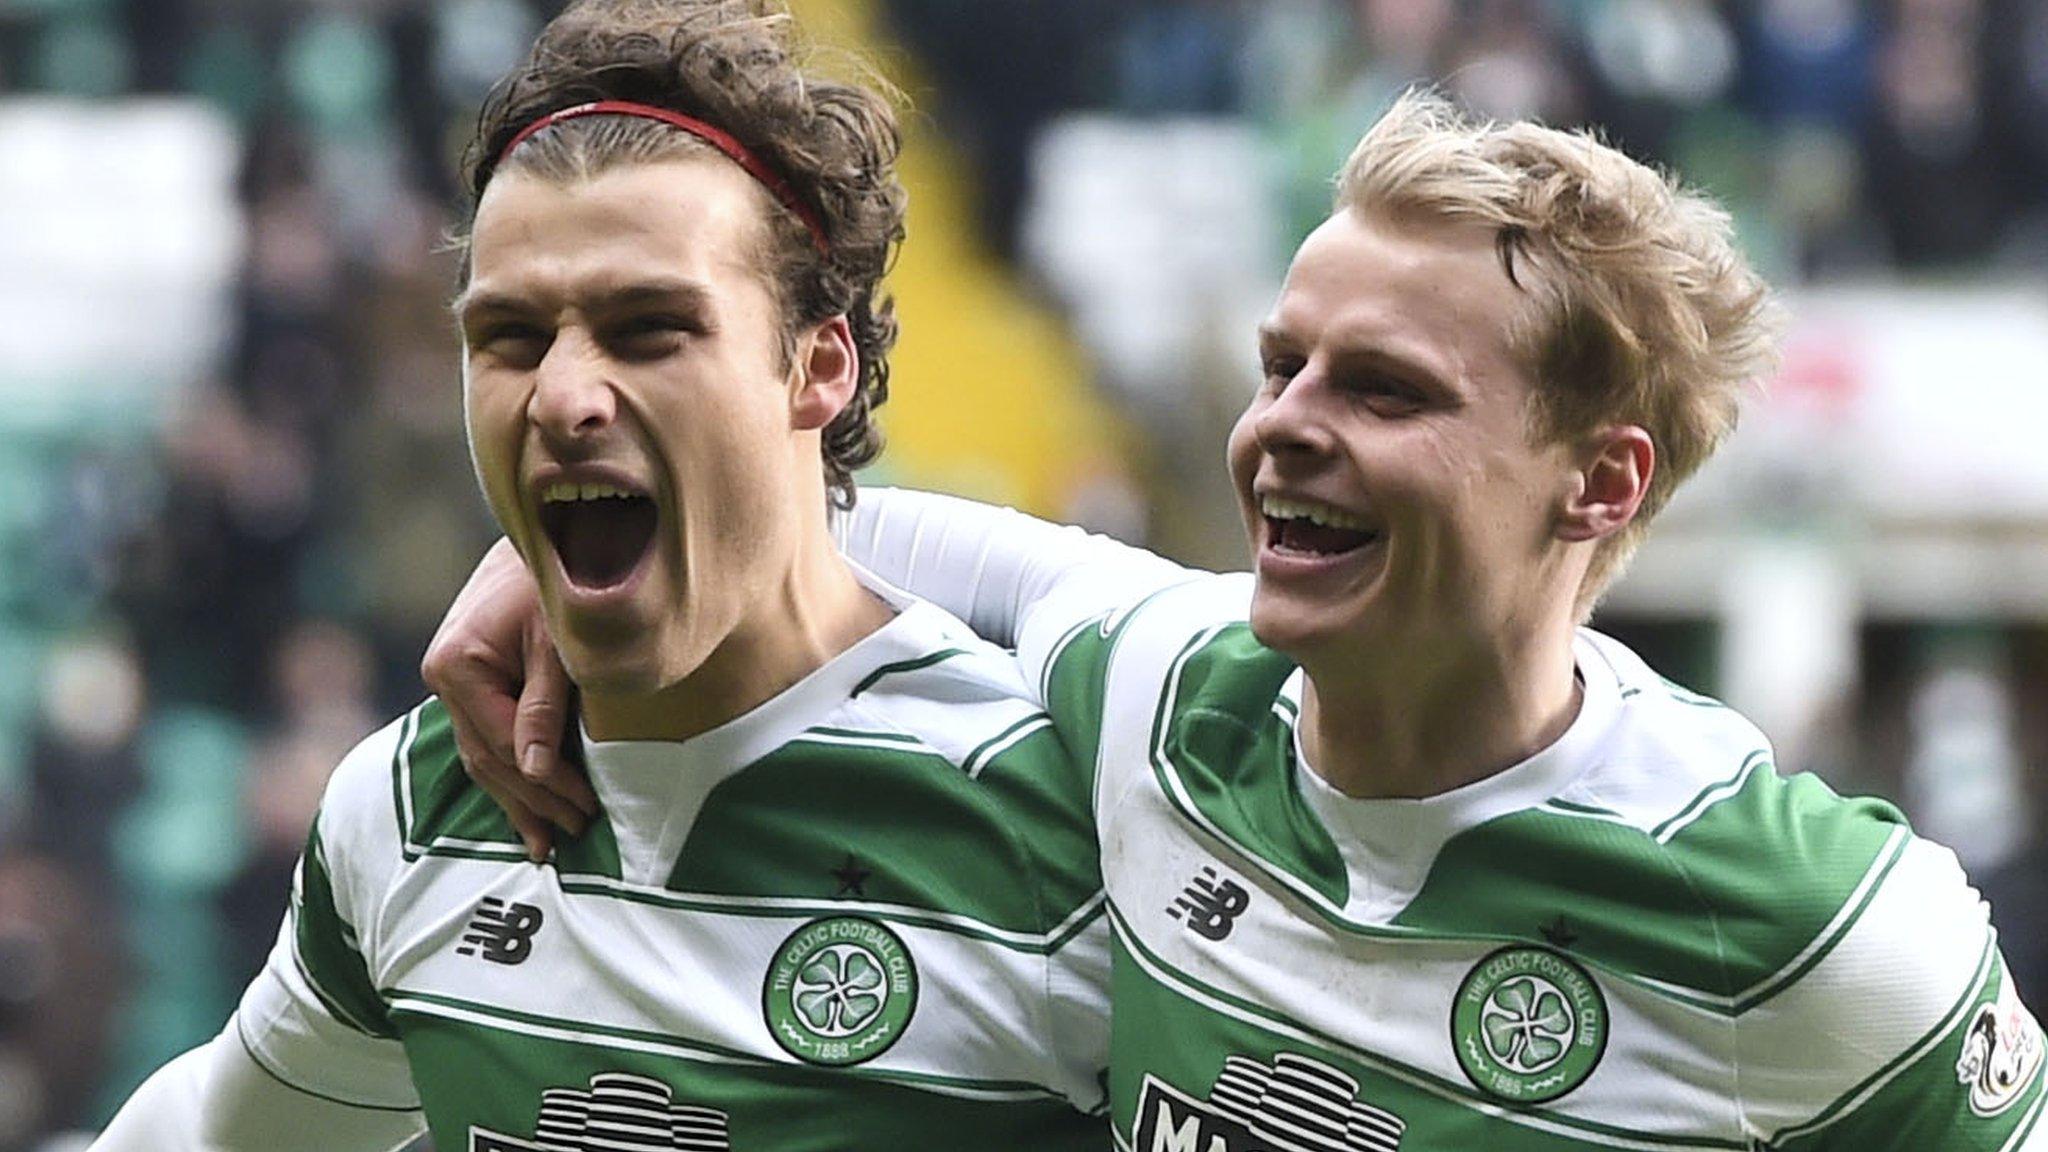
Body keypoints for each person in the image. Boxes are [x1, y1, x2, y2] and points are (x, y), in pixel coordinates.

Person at [432, 91, 2048, 1148]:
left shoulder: (1812, 917)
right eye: (1281, 365)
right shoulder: (1160, 686)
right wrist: (572, 550)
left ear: (1597, 486)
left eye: (1382, 388)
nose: (1281, 424)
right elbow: (893, 535)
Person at [89, 3, 1111, 1149]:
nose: (561, 397)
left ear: (815, 366)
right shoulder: (416, 809)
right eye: (511, 338)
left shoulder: (1056, 821)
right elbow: (222, 1125)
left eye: (648, 329)